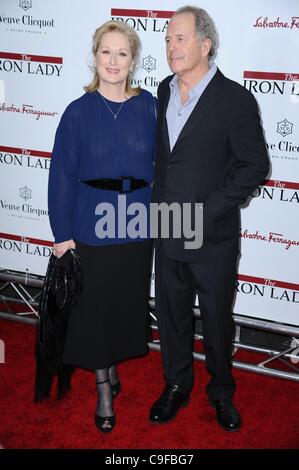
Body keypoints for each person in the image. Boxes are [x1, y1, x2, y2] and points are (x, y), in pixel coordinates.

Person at [150, 6, 269, 432]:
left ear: (205, 44)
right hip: (166, 226)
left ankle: (221, 393)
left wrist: (209, 210)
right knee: (171, 316)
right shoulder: (162, 90)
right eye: (166, 39)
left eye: (180, 38)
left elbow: (254, 167)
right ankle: (176, 385)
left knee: (217, 323)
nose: (171, 47)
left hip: (212, 236)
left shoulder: (235, 99)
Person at [48, 20, 156, 433]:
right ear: (95, 56)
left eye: (122, 53)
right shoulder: (78, 112)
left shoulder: (149, 106)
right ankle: (104, 387)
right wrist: (62, 235)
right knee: (93, 311)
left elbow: (162, 168)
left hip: (136, 226)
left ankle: (110, 366)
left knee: (123, 306)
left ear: (133, 60)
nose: (113, 61)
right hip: (89, 226)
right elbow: (61, 175)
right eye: (106, 52)